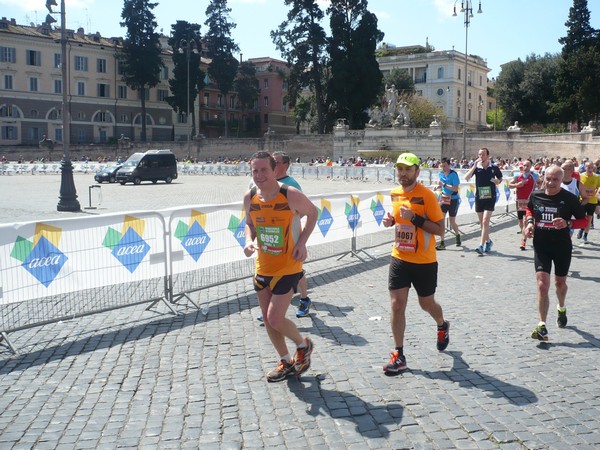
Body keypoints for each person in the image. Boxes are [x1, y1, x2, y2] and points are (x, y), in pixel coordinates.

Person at [243, 151, 318, 382]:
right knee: (267, 320)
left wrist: (302, 242)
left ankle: (303, 343)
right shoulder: (250, 197)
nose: (259, 175)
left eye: (264, 170)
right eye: (255, 170)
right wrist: (248, 241)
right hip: (263, 267)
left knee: (275, 318)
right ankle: (285, 360)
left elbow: (313, 213)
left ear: (274, 170)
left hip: (288, 267)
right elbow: (249, 224)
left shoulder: (290, 195)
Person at [382, 152, 450, 374]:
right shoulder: (394, 193)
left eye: (407, 169)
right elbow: (398, 220)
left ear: (417, 172)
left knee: (426, 304)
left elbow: (440, 230)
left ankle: (442, 324)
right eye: (400, 169)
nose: (402, 174)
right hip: (400, 256)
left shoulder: (427, 196)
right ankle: (399, 355)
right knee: (396, 305)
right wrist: (390, 220)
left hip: (424, 261)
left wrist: (415, 219)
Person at [524, 165, 586, 341]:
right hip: (542, 245)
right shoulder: (536, 195)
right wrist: (529, 223)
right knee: (542, 284)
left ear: (562, 180)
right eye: (548, 179)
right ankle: (542, 325)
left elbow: (583, 221)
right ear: (544, 178)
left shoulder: (570, 198)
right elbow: (529, 209)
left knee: (560, 284)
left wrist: (568, 224)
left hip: (562, 247)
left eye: (555, 180)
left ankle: (561, 307)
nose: (550, 183)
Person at [272, 151, 313, 318]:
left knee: (296, 269)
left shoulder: (292, 184)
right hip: (273, 234)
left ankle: (304, 299)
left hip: (291, 234)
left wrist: (289, 222)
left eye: (276, 162)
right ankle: (270, 307)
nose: (272, 164)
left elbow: (305, 210)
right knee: (273, 268)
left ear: (285, 165)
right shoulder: (269, 182)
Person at [464, 148, 503, 255]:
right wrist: (474, 166)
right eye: (479, 154)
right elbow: (466, 178)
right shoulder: (477, 168)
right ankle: (489, 241)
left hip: (490, 197)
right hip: (479, 197)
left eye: (483, 154)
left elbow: (500, 179)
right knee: (482, 224)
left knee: (485, 221)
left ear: (488, 155)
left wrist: (497, 181)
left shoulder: (494, 167)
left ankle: (481, 245)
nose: (481, 156)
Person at [508, 159, 536, 250]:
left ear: (531, 166)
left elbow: (541, 183)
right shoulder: (517, 176)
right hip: (520, 201)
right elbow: (509, 185)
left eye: (527, 165)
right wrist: (517, 185)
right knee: (521, 221)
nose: (525, 167)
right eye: (524, 165)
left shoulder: (534, 176)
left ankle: (523, 241)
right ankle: (525, 231)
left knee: (525, 221)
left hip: (530, 201)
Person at [436, 157, 462, 249]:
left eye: (445, 166)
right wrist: (437, 187)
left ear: (449, 165)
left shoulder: (453, 174)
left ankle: (457, 234)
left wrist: (443, 185)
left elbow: (455, 188)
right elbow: (442, 187)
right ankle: (442, 242)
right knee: (441, 220)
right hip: (444, 199)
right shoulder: (440, 174)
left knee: (452, 221)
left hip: (453, 199)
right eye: (442, 166)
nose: (443, 168)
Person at [576, 161, 600, 244]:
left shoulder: (597, 177)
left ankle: (585, 235)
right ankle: (582, 229)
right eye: (588, 167)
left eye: (591, 167)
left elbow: (599, 186)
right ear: (585, 167)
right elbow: (577, 187)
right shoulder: (581, 176)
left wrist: (597, 192)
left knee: (589, 219)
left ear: (593, 168)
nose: (589, 169)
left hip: (593, 201)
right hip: (583, 200)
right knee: (582, 217)